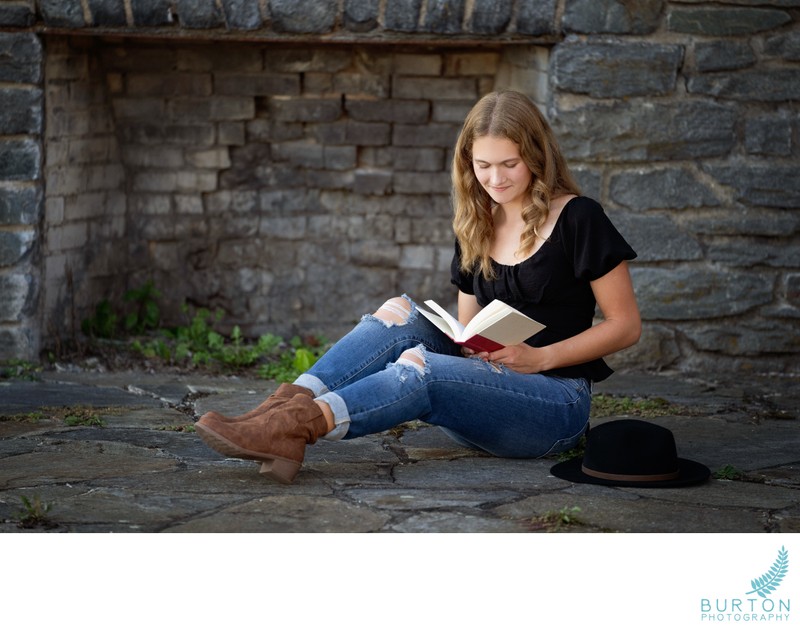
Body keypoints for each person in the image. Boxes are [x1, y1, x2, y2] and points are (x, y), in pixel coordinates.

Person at [195, 89, 641, 484]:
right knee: (398, 313)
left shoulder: (579, 218)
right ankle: (275, 412)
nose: (496, 179)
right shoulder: (478, 221)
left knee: (422, 366)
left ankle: (294, 429)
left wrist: (540, 357)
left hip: (553, 404)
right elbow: (468, 330)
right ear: (468, 163)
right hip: (480, 392)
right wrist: (470, 349)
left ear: (537, 156)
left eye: (510, 164)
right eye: (483, 165)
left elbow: (625, 326)